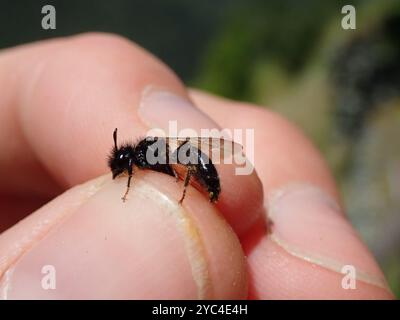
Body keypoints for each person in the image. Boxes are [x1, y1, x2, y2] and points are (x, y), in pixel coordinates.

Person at [0, 33, 393, 299]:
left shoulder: (149, 155)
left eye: (124, 170)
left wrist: (193, 186)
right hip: (196, 167)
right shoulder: (145, 156)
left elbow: (182, 161)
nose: (125, 173)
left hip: (199, 168)